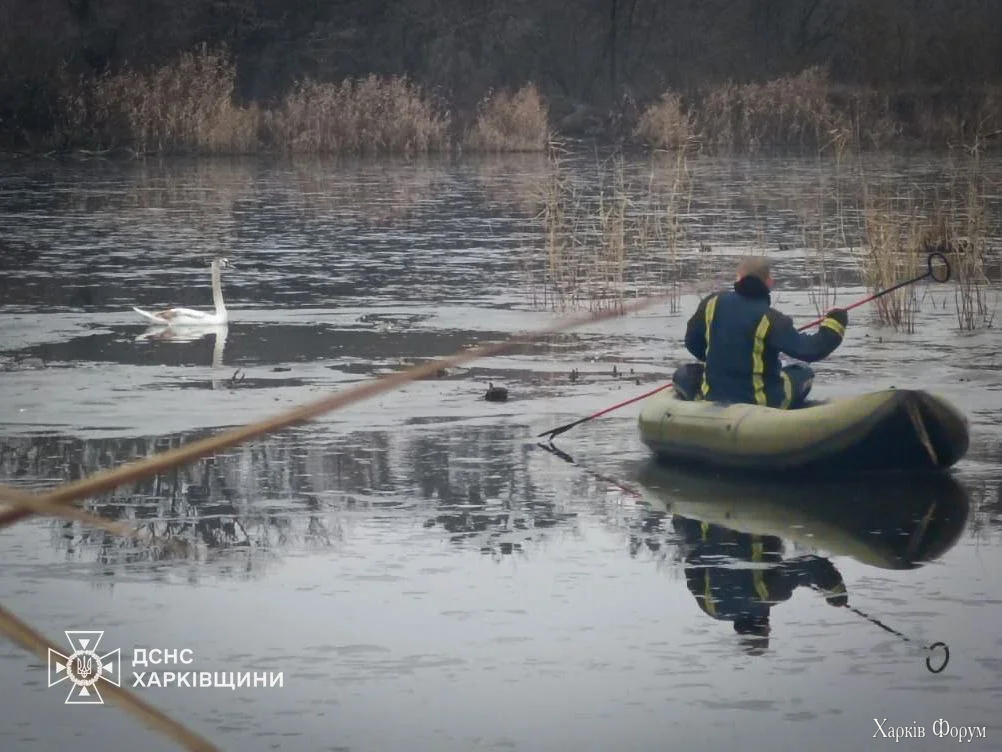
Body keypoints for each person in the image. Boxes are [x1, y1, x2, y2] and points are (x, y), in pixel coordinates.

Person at [673, 256, 848, 409]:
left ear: (739, 277)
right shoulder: (773, 319)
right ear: (769, 282)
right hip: (759, 402)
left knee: (683, 374)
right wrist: (836, 321)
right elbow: (812, 349)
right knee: (804, 372)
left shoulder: (711, 303)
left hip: (714, 394)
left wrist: (723, 358)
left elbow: (692, 342)